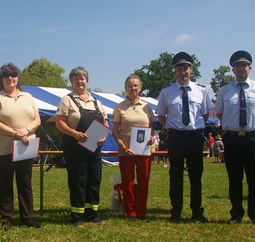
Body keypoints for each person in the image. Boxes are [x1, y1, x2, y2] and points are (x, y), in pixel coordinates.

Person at [155, 52, 213, 223]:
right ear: (175, 71)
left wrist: (193, 128)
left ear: (191, 69)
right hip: (176, 137)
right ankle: (176, 212)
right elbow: (161, 115)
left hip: (195, 136)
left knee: (196, 174)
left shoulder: (201, 91)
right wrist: (171, 127)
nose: (182, 72)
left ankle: (197, 211)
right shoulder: (167, 91)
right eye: (179, 69)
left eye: (185, 68)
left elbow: (205, 114)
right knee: (175, 174)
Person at [0, 63, 41, 230]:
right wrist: (15, 133)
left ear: (18, 78)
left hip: (26, 146)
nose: (11, 78)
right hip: (4, 148)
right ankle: (6, 219)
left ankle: (27, 218)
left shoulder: (28, 97)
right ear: (1, 79)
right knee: (5, 183)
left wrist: (26, 130)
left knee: (25, 183)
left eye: (14, 75)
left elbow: (37, 120)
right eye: (7, 75)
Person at [56, 66, 108, 227]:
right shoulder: (67, 100)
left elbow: (106, 122)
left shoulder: (97, 102)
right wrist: (74, 133)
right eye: (76, 79)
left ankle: (92, 213)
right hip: (75, 147)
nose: (80, 81)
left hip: (95, 149)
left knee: (94, 179)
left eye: (82, 78)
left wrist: (104, 136)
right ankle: (77, 216)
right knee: (78, 180)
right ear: (71, 81)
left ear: (87, 80)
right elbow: (59, 122)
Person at [214, 50, 255, 224]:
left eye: (244, 65)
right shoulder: (225, 89)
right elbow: (220, 114)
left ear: (250, 68)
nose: (241, 69)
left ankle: (254, 214)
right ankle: (236, 213)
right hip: (232, 139)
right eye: (237, 66)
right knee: (235, 178)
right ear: (233, 70)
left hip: (252, 138)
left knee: (253, 178)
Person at [111, 75, 155, 221]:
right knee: (127, 182)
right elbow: (114, 131)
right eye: (130, 86)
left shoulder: (147, 107)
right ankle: (130, 212)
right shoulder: (119, 107)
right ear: (125, 88)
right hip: (126, 151)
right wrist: (123, 146)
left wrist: (152, 138)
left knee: (144, 182)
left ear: (140, 87)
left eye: (135, 85)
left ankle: (142, 211)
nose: (133, 88)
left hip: (143, 151)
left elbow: (151, 128)